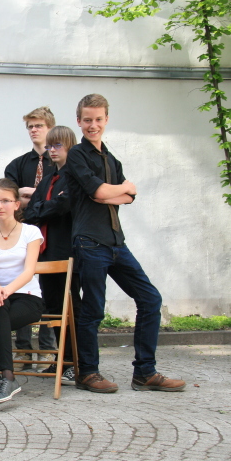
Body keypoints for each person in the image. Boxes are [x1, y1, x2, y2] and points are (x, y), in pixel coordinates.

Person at [67, 94, 185, 393]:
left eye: (98, 119)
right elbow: (97, 192)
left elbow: (126, 197)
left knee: (150, 299)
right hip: (90, 242)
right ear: (78, 121)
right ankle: (88, 373)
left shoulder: (112, 159)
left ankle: (145, 372)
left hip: (116, 242)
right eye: (87, 120)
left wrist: (113, 192)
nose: (93, 125)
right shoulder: (77, 156)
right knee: (93, 310)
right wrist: (118, 190)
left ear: (106, 120)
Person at [23, 126, 82, 385]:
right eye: (49, 146)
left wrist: (45, 207)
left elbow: (64, 205)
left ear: (70, 145)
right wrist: (48, 206)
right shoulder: (48, 179)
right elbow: (32, 212)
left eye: (57, 145)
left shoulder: (75, 176)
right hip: (45, 253)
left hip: (66, 250)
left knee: (71, 309)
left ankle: (76, 363)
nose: (52, 150)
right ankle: (61, 360)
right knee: (53, 308)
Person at [0, 178, 44, 405]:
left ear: (16, 204)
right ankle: (2, 380)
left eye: (5, 201)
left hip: (27, 297)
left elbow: (28, 272)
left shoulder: (31, 232)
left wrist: (3, 291)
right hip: (0, 296)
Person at [4, 107, 57, 369]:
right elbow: (12, 196)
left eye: (39, 125)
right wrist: (37, 194)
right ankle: (23, 349)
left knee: (45, 289)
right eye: (30, 126)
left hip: (51, 233)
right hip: (21, 232)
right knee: (21, 287)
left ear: (50, 127)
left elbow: (55, 197)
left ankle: (47, 349)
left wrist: (31, 193)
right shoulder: (18, 164)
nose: (34, 130)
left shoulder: (59, 163)